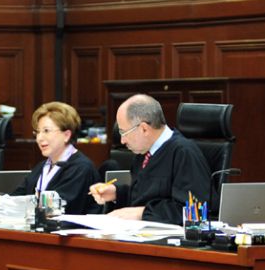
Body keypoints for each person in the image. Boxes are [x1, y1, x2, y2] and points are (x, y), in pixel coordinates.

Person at [88, 94, 211, 225]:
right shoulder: (144, 152)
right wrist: (116, 193)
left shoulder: (184, 152)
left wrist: (142, 213)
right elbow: (146, 196)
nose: (122, 140)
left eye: (124, 132)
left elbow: (194, 211)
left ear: (144, 129)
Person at [0, 101, 101, 215]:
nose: (39, 138)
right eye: (37, 132)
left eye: (46, 131)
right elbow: (17, 198)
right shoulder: (43, 166)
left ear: (66, 135)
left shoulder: (81, 168)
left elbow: (55, 209)